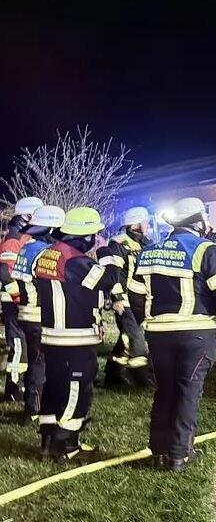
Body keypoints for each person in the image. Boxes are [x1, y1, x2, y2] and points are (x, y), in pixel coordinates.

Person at [130, 197, 216, 471]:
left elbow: (136, 295)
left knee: (164, 391)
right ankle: (180, 454)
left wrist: (148, 321)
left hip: (158, 335)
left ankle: (159, 452)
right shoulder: (208, 251)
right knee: (187, 392)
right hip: (197, 335)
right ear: (198, 221)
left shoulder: (149, 252)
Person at [34, 207, 122, 462]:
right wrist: (106, 251)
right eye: (94, 235)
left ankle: (48, 439)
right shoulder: (77, 261)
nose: (96, 239)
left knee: (53, 387)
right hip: (75, 337)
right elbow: (110, 278)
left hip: (51, 336)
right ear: (84, 236)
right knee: (77, 389)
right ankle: (67, 445)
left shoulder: (47, 255)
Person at [9, 205, 65, 424]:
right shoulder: (44, 253)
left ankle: (31, 408)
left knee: (34, 363)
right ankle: (37, 409)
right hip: (41, 316)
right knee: (42, 364)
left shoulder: (26, 248)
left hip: (26, 314)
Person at [98, 206, 153, 388]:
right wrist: (117, 299)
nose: (147, 224)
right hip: (125, 300)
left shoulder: (146, 243)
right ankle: (141, 379)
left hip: (142, 300)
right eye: (145, 221)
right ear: (136, 224)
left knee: (125, 338)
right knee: (136, 340)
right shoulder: (119, 244)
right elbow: (114, 274)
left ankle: (112, 376)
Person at [1, 196, 43, 403]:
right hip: (12, 301)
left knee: (25, 346)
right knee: (18, 345)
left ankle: (22, 384)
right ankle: (12, 388)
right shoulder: (13, 240)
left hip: (22, 300)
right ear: (27, 216)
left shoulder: (23, 238)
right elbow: (5, 272)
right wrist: (18, 297)